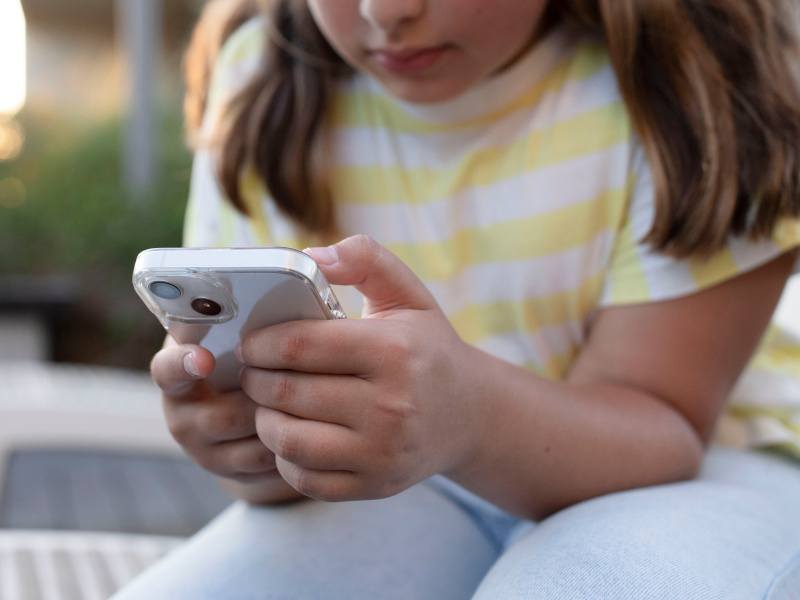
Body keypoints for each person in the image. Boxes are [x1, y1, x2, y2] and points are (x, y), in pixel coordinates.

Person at [116, 1, 800, 597]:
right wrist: (258, 449)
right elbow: (273, 461)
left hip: (709, 467)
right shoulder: (262, 81)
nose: (388, 12)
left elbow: (670, 427)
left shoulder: (691, 78)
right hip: (419, 486)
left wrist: (471, 417)